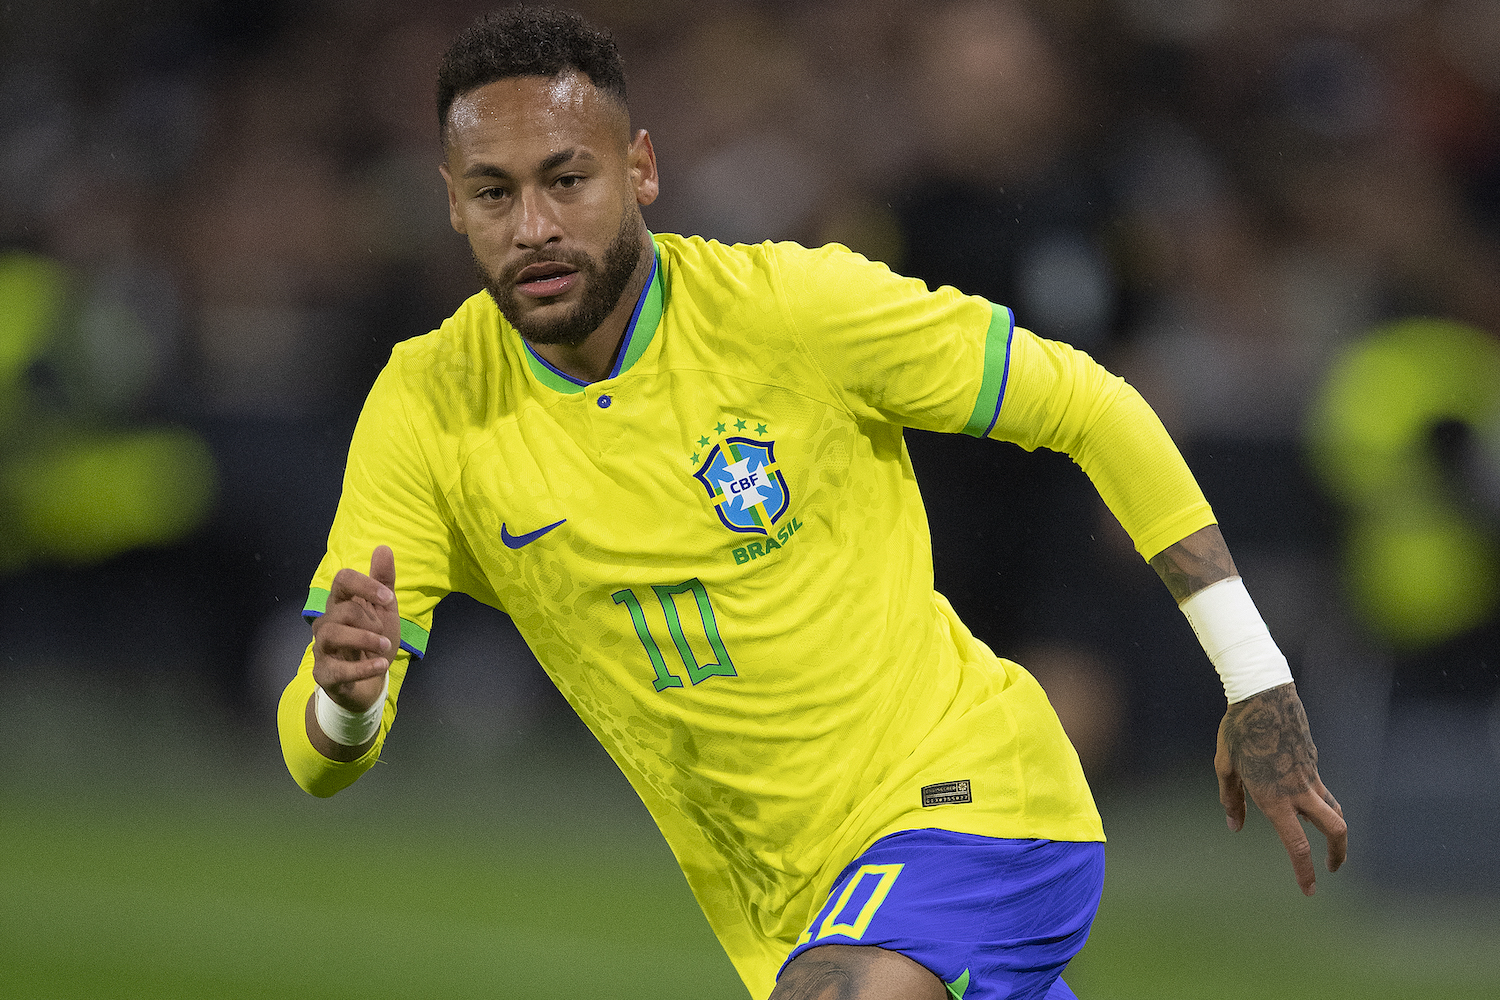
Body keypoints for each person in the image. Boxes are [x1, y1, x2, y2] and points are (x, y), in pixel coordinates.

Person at [278, 7, 1347, 999]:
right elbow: (319, 754)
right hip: (795, 905)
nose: (535, 227)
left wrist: (1253, 675)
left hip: (971, 801)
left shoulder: (790, 311)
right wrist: (348, 698)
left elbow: (1093, 405)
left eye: (569, 179)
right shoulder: (428, 406)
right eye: (496, 192)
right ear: (451, 201)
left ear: (641, 169)